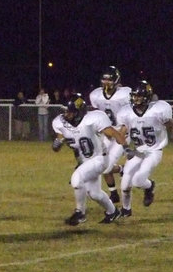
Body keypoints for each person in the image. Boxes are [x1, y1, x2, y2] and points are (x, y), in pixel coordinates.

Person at [51, 93, 124, 225]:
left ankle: (80, 213)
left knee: (76, 179)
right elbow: (59, 139)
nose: (66, 115)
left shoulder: (93, 118)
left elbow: (111, 133)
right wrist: (57, 143)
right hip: (84, 161)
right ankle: (113, 212)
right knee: (94, 194)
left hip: (99, 159)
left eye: (70, 112)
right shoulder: (60, 122)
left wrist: (123, 142)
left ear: (78, 112)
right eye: (66, 111)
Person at [114, 80, 173, 216]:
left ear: (147, 96)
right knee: (125, 184)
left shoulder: (157, 110)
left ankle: (149, 186)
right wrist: (125, 147)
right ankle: (126, 210)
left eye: (139, 96)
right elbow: (122, 132)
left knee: (137, 180)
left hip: (154, 150)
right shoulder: (127, 113)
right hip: (138, 150)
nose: (136, 98)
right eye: (134, 95)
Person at [88, 66, 131, 203]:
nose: (106, 83)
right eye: (104, 79)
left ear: (116, 80)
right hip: (106, 133)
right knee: (101, 163)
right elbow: (96, 114)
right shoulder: (95, 94)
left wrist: (123, 131)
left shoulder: (125, 94)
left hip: (120, 133)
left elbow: (131, 114)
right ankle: (113, 193)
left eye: (109, 80)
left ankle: (123, 170)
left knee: (106, 166)